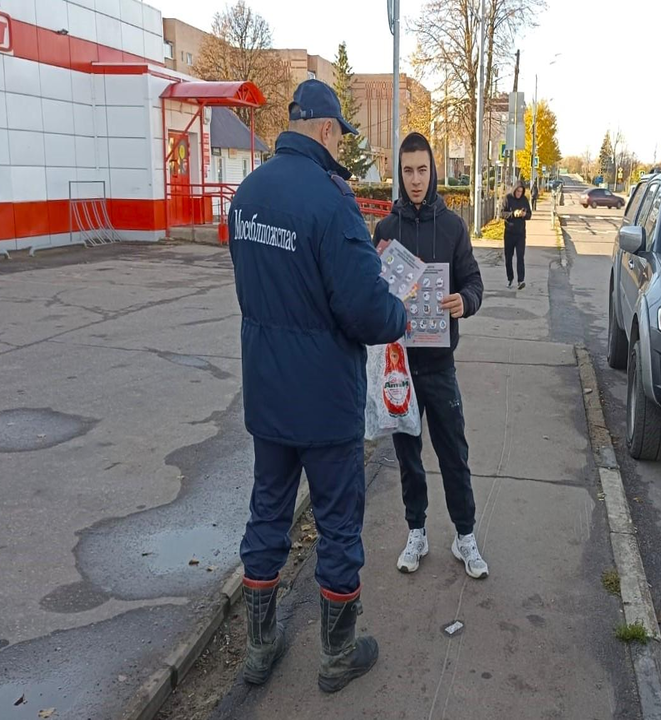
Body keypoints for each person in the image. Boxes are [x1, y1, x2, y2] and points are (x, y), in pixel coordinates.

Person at [227, 79, 408, 694]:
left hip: (268, 393)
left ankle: (258, 647)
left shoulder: (246, 194)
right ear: (328, 130)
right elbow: (365, 311)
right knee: (337, 524)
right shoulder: (332, 204)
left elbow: (250, 289)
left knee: (267, 515)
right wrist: (401, 311)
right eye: (341, 136)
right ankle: (336, 654)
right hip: (325, 403)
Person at [372, 132, 488, 580]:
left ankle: (465, 536)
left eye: (422, 170)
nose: (415, 180)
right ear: (398, 175)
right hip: (400, 366)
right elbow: (370, 291)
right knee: (407, 455)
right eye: (407, 171)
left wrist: (465, 301)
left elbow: (475, 283)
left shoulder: (453, 226)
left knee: (454, 453)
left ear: (433, 170)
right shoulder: (386, 230)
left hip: (440, 366)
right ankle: (416, 531)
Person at [501, 181, 533, 290]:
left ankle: (521, 280)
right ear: (514, 190)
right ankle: (510, 278)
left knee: (520, 257)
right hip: (509, 233)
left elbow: (529, 215)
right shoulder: (508, 198)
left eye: (521, 191)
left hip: (520, 234)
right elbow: (502, 213)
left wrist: (524, 215)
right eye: (518, 191)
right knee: (508, 257)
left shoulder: (524, 200)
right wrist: (513, 214)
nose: (519, 193)